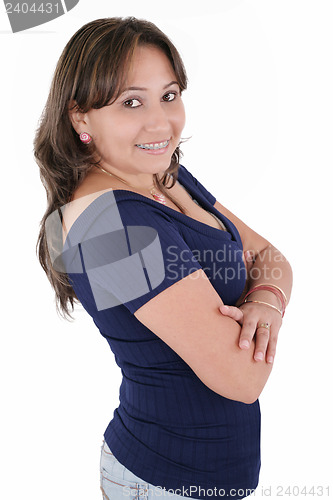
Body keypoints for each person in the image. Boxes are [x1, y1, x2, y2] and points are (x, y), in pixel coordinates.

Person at [34, 17, 293, 500]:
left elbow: (271, 255)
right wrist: (266, 303)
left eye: (169, 96)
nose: (161, 123)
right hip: (162, 481)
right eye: (131, 102)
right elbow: (244, 378)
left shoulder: (160, 174)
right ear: (80, 118)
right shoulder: (113, 227)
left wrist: (267, 303)